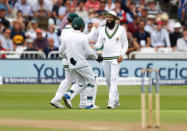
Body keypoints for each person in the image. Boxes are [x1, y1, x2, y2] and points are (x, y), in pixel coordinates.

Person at [50, 13, 98, 109]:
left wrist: (67, 57)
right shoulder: (76, 34)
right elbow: (86, 42)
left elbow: (61, 51)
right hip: (77, 60)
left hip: (69, 61)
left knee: (79, 81)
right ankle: (88, 103)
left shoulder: (65, 31)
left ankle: (75, 99)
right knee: (90, 80)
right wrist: (94, 29)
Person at [93, 11, 128, 109]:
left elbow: (125, 44)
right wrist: (92, 47)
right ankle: (116, 100)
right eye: (107, 17)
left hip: (116, 58)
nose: (108, 19)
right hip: (105, 58)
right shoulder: (102, 29)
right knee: (108, 80)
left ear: (115, 19)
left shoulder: (121, 29)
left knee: (113, 80)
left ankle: (110, 102)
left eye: (110, 17)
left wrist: (122, 54)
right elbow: (99, 44)